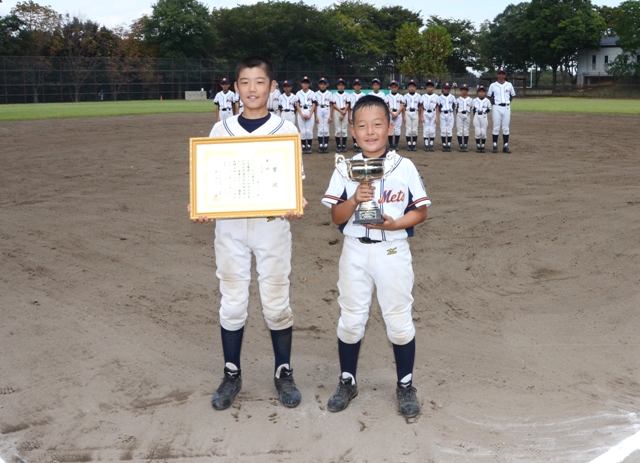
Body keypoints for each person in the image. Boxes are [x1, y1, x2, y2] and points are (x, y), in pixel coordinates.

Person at [191, 56, 306, 411]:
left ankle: (283, 372)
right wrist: (202, 204)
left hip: (272, 227)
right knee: (232, 300)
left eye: (259, 81)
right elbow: (210, 180)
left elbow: (294, 183)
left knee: (276, 301)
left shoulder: (286, 129)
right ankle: (232, 373)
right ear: (235, 87)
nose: (252, 89)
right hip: (231, 227)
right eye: (245, 82)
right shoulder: (221, 130)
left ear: (272, 87)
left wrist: (296, 201)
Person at [321, 95, 430, 418]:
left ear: (390, 127)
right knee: (351, 319)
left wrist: (395, 223)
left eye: (377, 124)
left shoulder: (404, 166)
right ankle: (347, 380)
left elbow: (420, 212)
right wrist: (354, 199)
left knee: (398, 320)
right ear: (353, 131)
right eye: (363, 126)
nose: (370, 132)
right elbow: (337, 217)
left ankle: (405, 385)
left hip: (392, 250)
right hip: (355, 250)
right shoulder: (345, 168)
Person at [487, 67, 516, 153]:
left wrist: (507, 102)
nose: (501, 75)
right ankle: (495, 145)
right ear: (497, 75)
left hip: (506, 107)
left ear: (505, 75)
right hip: (497, 107)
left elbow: (512, 95)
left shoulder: (509, 85)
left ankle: (505, 145)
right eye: (500, 74)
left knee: (506, 127)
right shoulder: (493, 85)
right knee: (496, 126)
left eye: (503, 74)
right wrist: (494, 103)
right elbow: (489, 96)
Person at [296, 76, 316, 154]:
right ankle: (304, 146)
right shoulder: (298, 93)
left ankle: (309, 146)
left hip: (309, 110)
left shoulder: (312, 93)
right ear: (301, 84)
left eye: (307, 83)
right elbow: (297, 104)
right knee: (303, 131)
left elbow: (314, 104)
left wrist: (310, 114)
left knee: (309, 131)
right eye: (304, 83)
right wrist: (301, 114)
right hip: (301, 110)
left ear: (309, 84)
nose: (305, 84)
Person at [419, 80, 438, 151]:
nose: (429, 88)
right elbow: (421, 107)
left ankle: (431, 144)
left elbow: (437, 107)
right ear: (426, 88)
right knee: (426, 128)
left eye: (431, 87)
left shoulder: (436, 96)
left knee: (432, 128)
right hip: (425, 112)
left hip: (433, 113)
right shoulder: (423, 96)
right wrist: (421, 116)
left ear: (433, 88)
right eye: (428, 87)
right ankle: (426, 144)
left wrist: (437, 117)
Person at [332, 78, 350, 153]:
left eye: (342, 85)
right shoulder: (334, 95)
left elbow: (348, 104)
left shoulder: (347, 94)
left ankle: (344, 145)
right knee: (338, 129)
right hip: (337, 111)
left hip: (345, 111)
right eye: (339, 85)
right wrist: (341, 111)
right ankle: (338, 145)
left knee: (344, 129)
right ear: (337, 86)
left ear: (344, 86)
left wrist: (344, 112)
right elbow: (334, 104)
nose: (341, 86)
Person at [315, 77, 333, 153]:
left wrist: (330, 116)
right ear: (319, 85)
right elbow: (314, 105)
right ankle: (320, 145)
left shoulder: (329, 93)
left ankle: (325, 145)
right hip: (319, 108)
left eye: (324, 84)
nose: (323, 85)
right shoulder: (316, 94)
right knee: (320, 128)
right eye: (321, 84)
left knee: (326, 128)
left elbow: (331, 105)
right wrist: (316, 116)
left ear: (327, 85)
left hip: (327, 109)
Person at [437, 82, 456, 152]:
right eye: (445, 88)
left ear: (450, 89)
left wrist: (451, 111)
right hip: (442, 113)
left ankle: (449, 144)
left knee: (449, 130)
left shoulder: (452, 97)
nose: (446, 90)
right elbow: (438, 106)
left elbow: (454, 105)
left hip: (450, 113)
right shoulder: (439, 97)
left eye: (448, 88)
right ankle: (444, 144)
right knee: (443, 130)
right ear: (442, 89)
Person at [385, 80, 404, 150]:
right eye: (392, 87)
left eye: (395, 87)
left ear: (397, 87)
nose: (393, 88)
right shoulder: (387, 96)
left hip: (398, 114)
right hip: (390, 113)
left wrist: (397, 114)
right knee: (390, 129)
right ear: (390, 88)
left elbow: (402, 106)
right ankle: (391, 145)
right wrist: (392, 113)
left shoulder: (400, 96)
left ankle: (396, 144)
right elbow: (386, 106)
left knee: (397, 130)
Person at [472, 85, 492, 153]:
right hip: (477, 115)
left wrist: (485, 113)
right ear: (477, 92)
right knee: (477, 131)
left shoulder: (487, 101)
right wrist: (474, 117)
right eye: (480, 91)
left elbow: (489, 108)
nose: (481, 93)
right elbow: (473, 109)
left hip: (484, 116)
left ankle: (483, 145)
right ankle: (478, 145)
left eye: (483, 91)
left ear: (485, 92)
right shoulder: (474, 100)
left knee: (483, 132)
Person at [348, 79, 366, 151]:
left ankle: (360, 143)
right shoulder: (350, 95)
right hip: (353, 111)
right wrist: (349, 116)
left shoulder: (363, 95)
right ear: (353, 86)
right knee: (354, 128)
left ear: (361, 86)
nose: (357, 86)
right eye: (355, 85)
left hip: (361, 112)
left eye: (358, 85)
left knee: (361, 128)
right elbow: (349, 107)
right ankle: (355, 143)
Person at [403, 79, 421, 151]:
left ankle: (414, 144)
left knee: (414, 129)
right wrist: (404, 116)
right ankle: (409, 144)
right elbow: (403, 107)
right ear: (408, 87)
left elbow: (420, 107)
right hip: (407, 112)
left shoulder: (418, 96)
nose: (412, 88)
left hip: (415, 112)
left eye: (413, 86)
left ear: (416, 87)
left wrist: (420, 116)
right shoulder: (405, 96)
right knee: (408, 129)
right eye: (410, 86)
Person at [455, 84, 473, 152]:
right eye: (463, 90)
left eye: (465, 90)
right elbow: (456, 109)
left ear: (468, 91)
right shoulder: (457, 100)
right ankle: (460, 145)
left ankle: (465, 144)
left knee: (466, 130)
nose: (464, 91)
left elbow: (471, 108)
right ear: (460, 90)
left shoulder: (470, 100)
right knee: (459, 130)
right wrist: (458, 114)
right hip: (459, 114)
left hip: (467, 114)